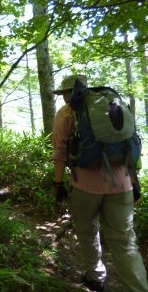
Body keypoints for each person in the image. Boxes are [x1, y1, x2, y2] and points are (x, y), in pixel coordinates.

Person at [52, 75, 148, 292]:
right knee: (125, 242)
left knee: (87, 231)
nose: (63, 97)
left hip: (85, 186)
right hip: (122, 185)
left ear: (68, 93)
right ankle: (138, 287)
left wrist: (57, 183)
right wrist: (134, 182)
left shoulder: (66, 113)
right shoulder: (112, 104)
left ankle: (95, 277)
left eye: (63, 93)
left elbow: (59, 152)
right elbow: (130, 144)